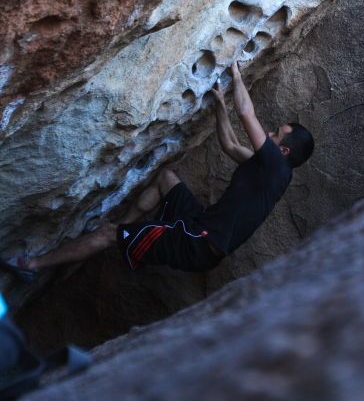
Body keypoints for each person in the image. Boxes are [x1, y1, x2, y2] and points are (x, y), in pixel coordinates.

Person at [1, 63, 314, 277]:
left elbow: (247, 111)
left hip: (198, 242)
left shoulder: (275, 167)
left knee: (109, 236)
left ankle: (33, 264)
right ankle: (126, 226)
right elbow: (230, 145)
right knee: (166, 178)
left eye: (276, 134)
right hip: (199, 225)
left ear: (283, 150)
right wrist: (220, 105)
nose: (271, 134)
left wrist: (235, 71)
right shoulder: (266, 172)